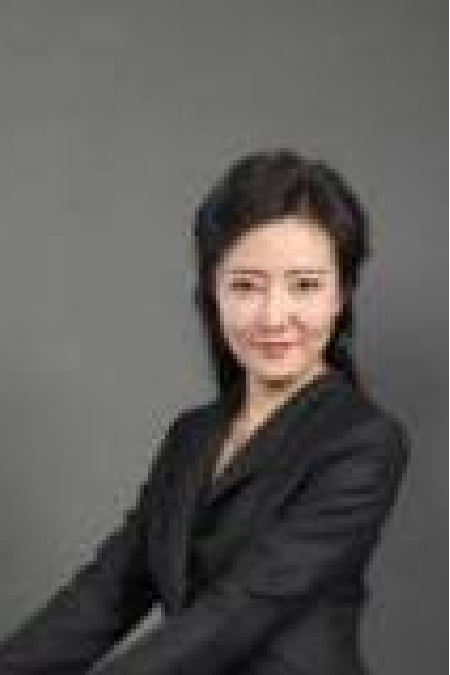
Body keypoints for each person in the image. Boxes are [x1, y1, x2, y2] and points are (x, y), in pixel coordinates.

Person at [0, 149, 411, 674]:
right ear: (213, 294)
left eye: (305, 285)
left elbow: (237, 612)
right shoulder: (192, 436)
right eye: (246, 285)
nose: (273, 315)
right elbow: (107, 593)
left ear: (341, 296)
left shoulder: (363, 441)